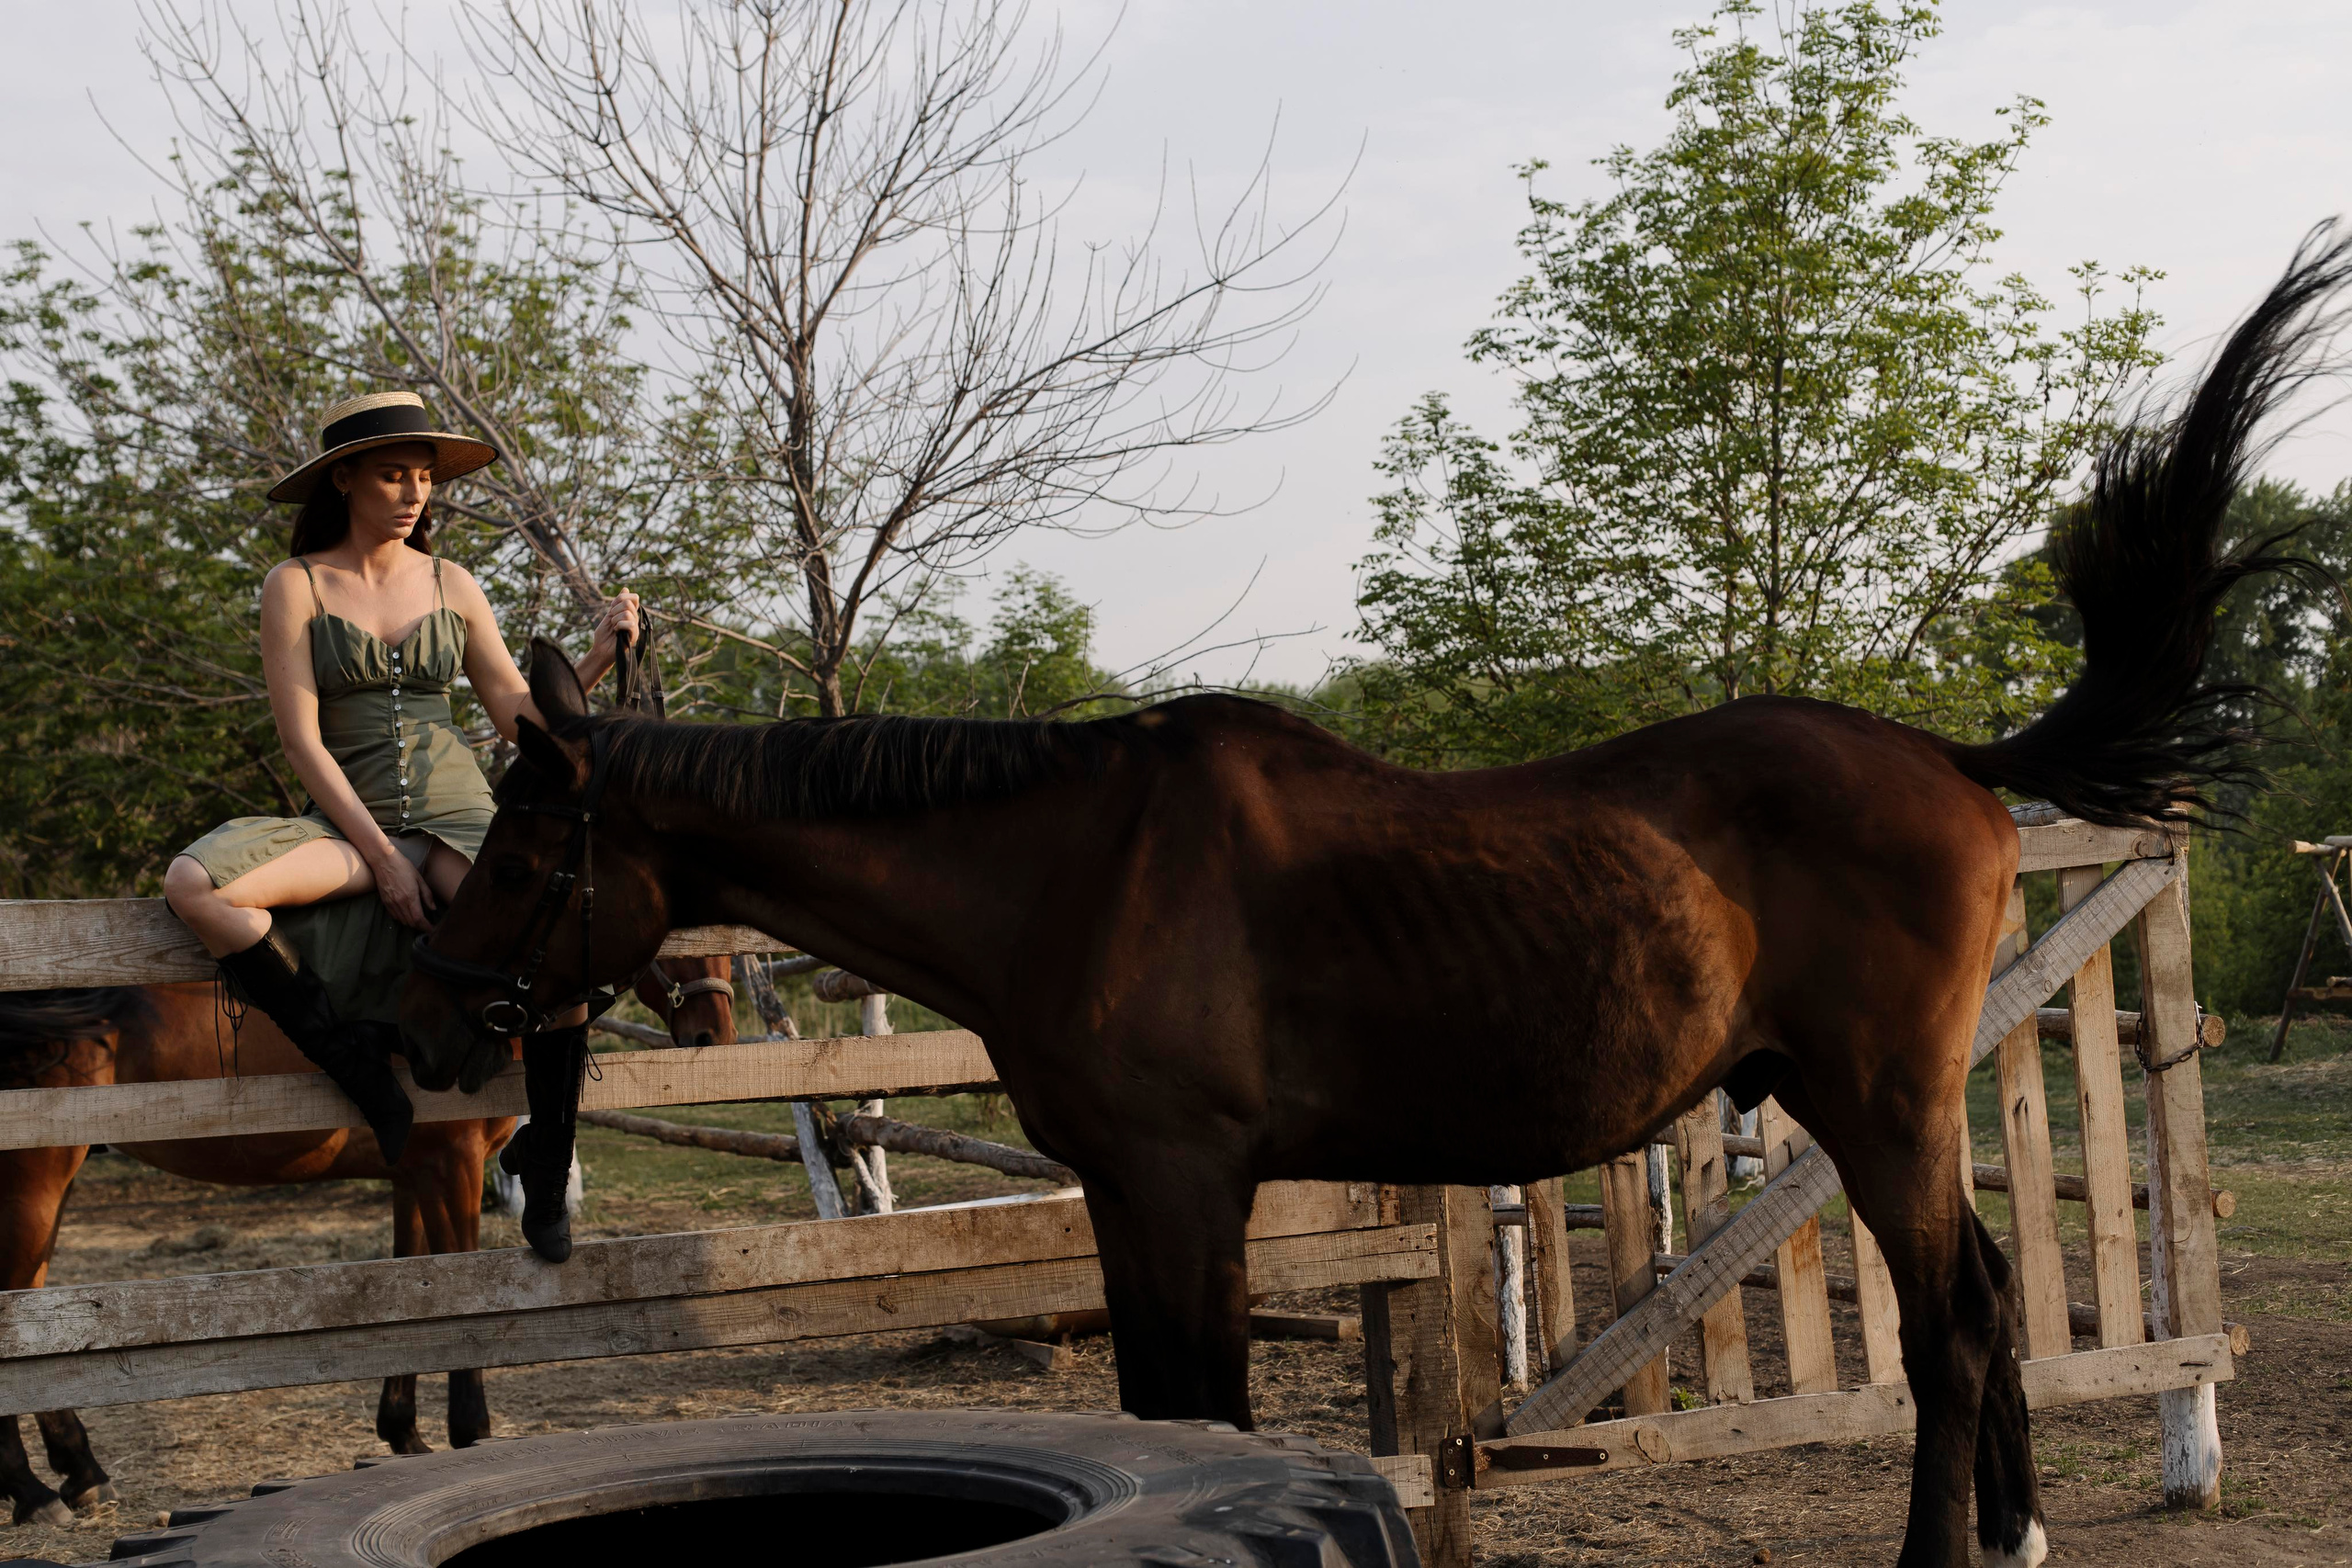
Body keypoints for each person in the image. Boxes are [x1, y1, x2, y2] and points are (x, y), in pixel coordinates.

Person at [163, 390, 637, 1258]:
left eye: (423, 476)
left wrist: (598, 651)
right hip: (350, 824)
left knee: (558, 947)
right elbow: (302, 742)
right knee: (195, 884)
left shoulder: (454, 583)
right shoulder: (295, 585)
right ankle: (351, 1063)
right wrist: (380, 858)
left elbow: (513, 718)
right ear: (344, 479)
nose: (415, 492)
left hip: (460, 816)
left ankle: (547, 1159)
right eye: (393, 475)